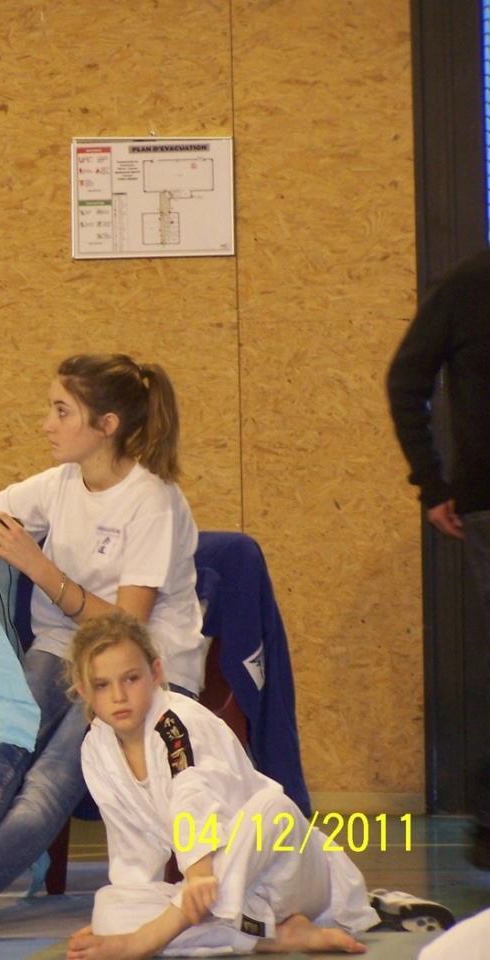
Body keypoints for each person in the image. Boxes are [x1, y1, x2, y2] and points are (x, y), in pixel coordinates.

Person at [0, 353, 206, 938]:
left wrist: (40, 568)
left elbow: (127, 629)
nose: (46, 424)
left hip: (136, 667)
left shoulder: (152, 499)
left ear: (105, 425)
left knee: (47, 781)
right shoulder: (57, 484)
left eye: (61, 411)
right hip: (62, 648)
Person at [63, 609, 381, 958]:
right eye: (102, 685)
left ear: (155, 673)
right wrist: (128, 916)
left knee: (273, 809)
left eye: (130, 679)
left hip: (287, 873)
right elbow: (132, 852)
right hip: (224, 895)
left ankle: (153, 936)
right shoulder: (97, 749)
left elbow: (190, 793)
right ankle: (273, 936)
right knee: (109, 911)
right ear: (84, 690)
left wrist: (194, 878)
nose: (119, 696)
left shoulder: (176, 724)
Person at [386, 249, 490, 869]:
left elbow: (406, 383)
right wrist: (430, 479)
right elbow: (406, 383)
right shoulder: (468, 284)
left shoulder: (466, 282)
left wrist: (433, 482)